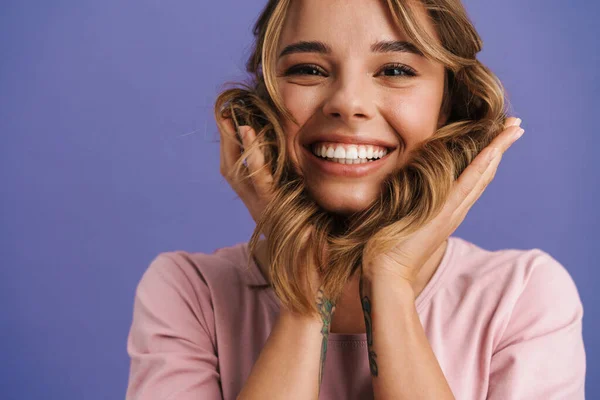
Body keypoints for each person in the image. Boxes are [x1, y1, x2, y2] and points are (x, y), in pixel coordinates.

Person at [125, 0, 586, 399]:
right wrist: (305, 291)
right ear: (263, 104)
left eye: (395, 70)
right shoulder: (189, 293)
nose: (347, 102)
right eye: (308, 69)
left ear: (448, 104)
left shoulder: (522, 296)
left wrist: (389, 281)